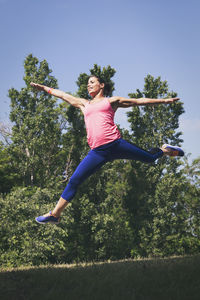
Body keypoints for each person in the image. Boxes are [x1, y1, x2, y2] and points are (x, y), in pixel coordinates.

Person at [30, 76, 184, 224]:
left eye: (92, 82)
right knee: (74, 180)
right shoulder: (84, 104)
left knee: (150, 158)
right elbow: (63, 95)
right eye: (87, 83)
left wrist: (164, 101)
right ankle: (55, 215)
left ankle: (164, 150)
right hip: (97, 152)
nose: (88, 85)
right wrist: (44, 88)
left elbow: (138, 101)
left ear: (101, 85)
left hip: (116, 144)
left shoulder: (111, 101)